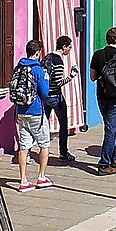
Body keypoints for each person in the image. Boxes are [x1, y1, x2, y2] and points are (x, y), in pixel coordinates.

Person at [8, 39, 53, 191]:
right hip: (36, 111)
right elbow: (45, 92)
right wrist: (46, 78)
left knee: (23, 147)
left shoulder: (18, 68)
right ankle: (41, 177)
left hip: (21, 111)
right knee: (44, 144)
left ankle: (23, 181)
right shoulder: (37, 69)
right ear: (38, 52)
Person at [87, 27, 116, 174]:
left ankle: (115, 157)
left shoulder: (97, 55)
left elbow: (92, 78)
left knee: (110, 128)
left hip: (102, 96)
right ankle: (104, 164)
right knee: (111, 131)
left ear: (106, 39)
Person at [43, 35, 76, 166]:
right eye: (69, 47)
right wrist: (71, 76)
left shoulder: (46, 58)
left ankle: (32, 151)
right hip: (56, 97)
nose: (70, 50)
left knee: (41, 124)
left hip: (45, 96)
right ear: (64, 47)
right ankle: (63, 152)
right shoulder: (58, 62)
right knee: (63, 124)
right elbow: (58, 82)